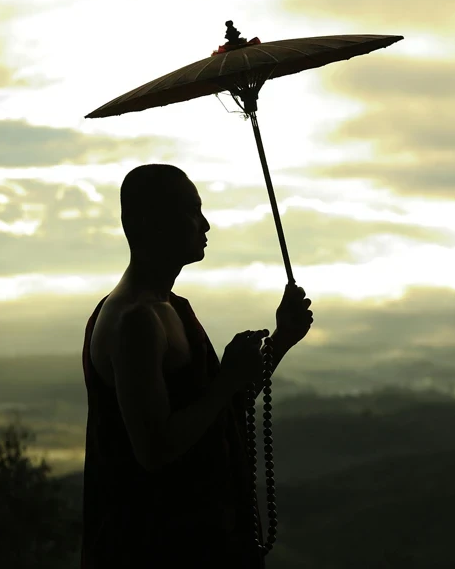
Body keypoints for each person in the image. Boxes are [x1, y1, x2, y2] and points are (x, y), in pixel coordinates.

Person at [80, 164, 313, 568]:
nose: (205, 224)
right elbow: (155, 449)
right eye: (191, 210)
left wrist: (282, 340)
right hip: (155, 551)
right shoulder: (134, 321)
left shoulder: (171, 307)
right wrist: (226, 382)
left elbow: (212, 410)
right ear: (151, 222)